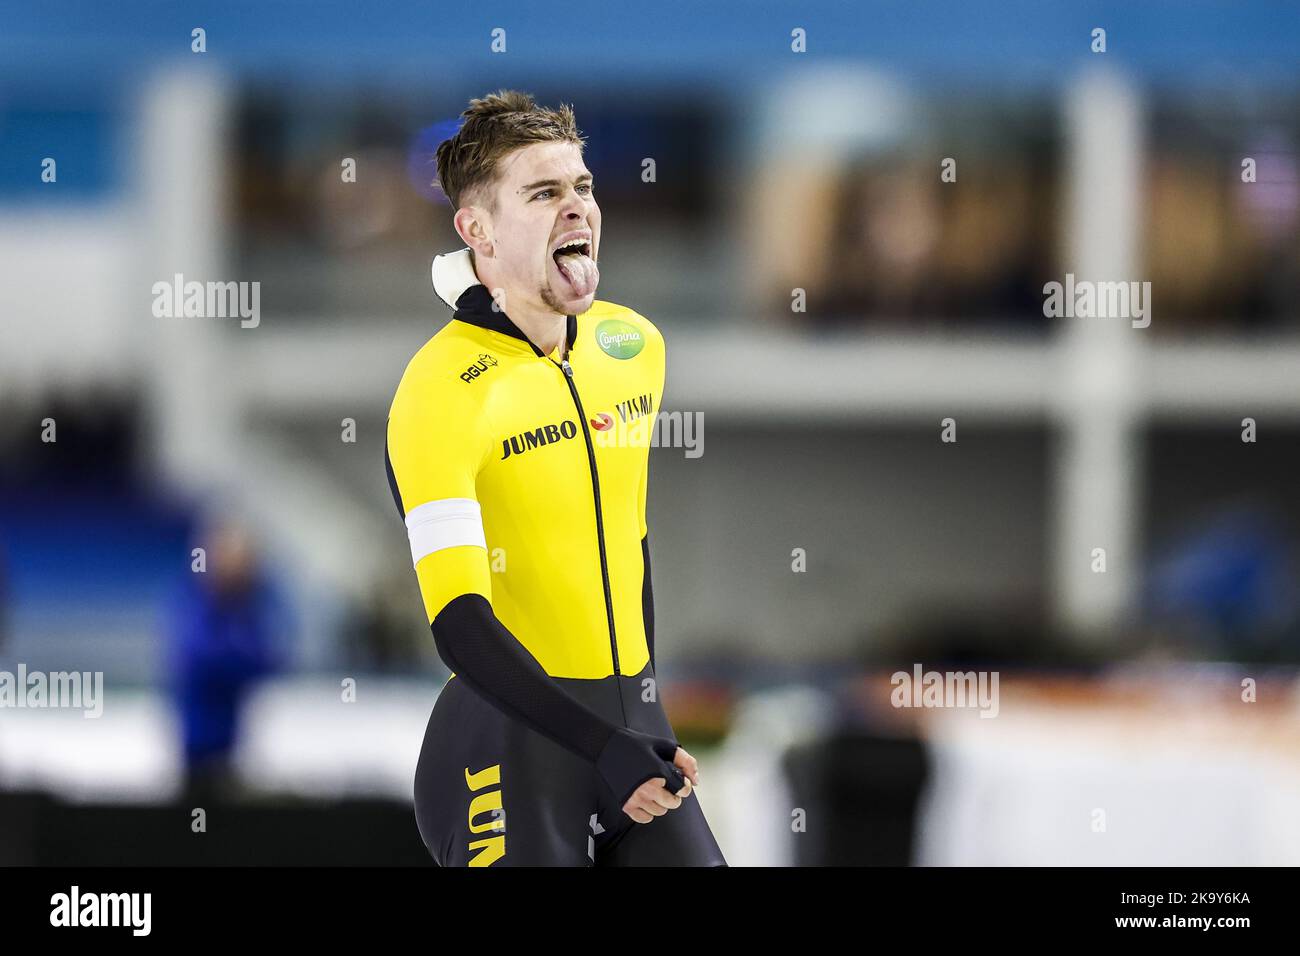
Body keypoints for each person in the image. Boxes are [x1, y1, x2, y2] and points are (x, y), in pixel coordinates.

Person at [385, 90, 725, 866]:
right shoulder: (440, 392)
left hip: (627, 724)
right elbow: (459, 622)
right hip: (504, 743)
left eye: (582, 187)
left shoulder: (631, 346)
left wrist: (640, 720)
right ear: (477, 229)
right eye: (543, 194)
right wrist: (603, 743)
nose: (576, 208)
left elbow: (626, 547)